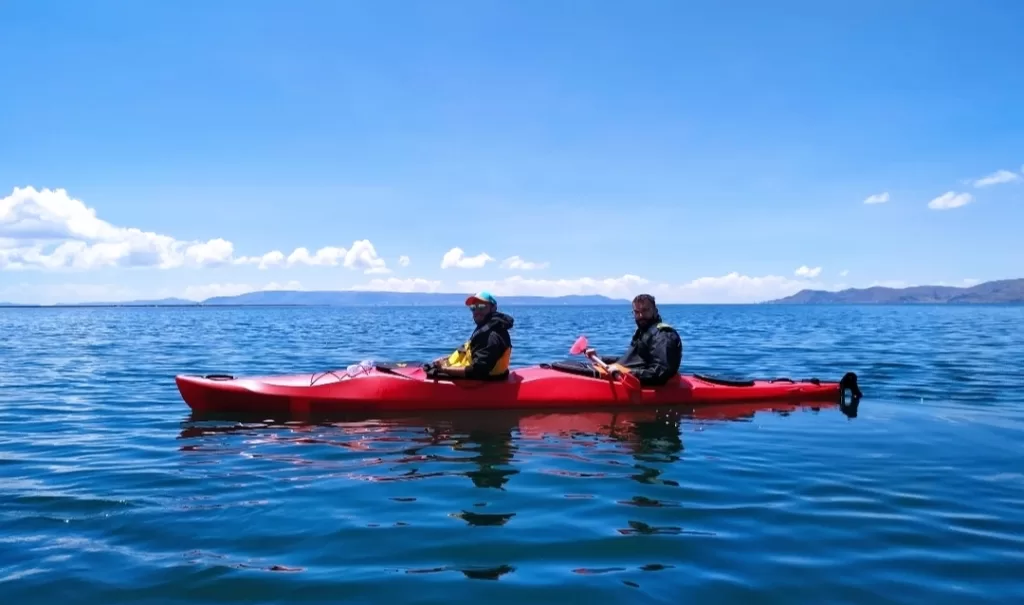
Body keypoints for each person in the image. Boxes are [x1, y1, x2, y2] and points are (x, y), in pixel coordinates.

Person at [587, 293, 682, 386]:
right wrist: (601, 359)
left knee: (579, 373)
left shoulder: (663, 336)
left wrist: (628, 373)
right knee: (574, 368)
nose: (640, 315)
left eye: (645, 310)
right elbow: (632, 360)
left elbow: (661, 372)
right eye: (637, 312)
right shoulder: (642, 332)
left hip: (634, 382)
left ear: (655, 311)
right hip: (619, 376)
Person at [427, 291, 514, 380]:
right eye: (473, 308)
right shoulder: (486, 328)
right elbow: (472, 352)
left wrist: (443, 369)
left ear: (493, 308)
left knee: (431, 373)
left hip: (483, 385)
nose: (476, 311)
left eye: (481, 307)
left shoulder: (491, 336)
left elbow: (477, 371)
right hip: (478, 377)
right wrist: (444, 360)